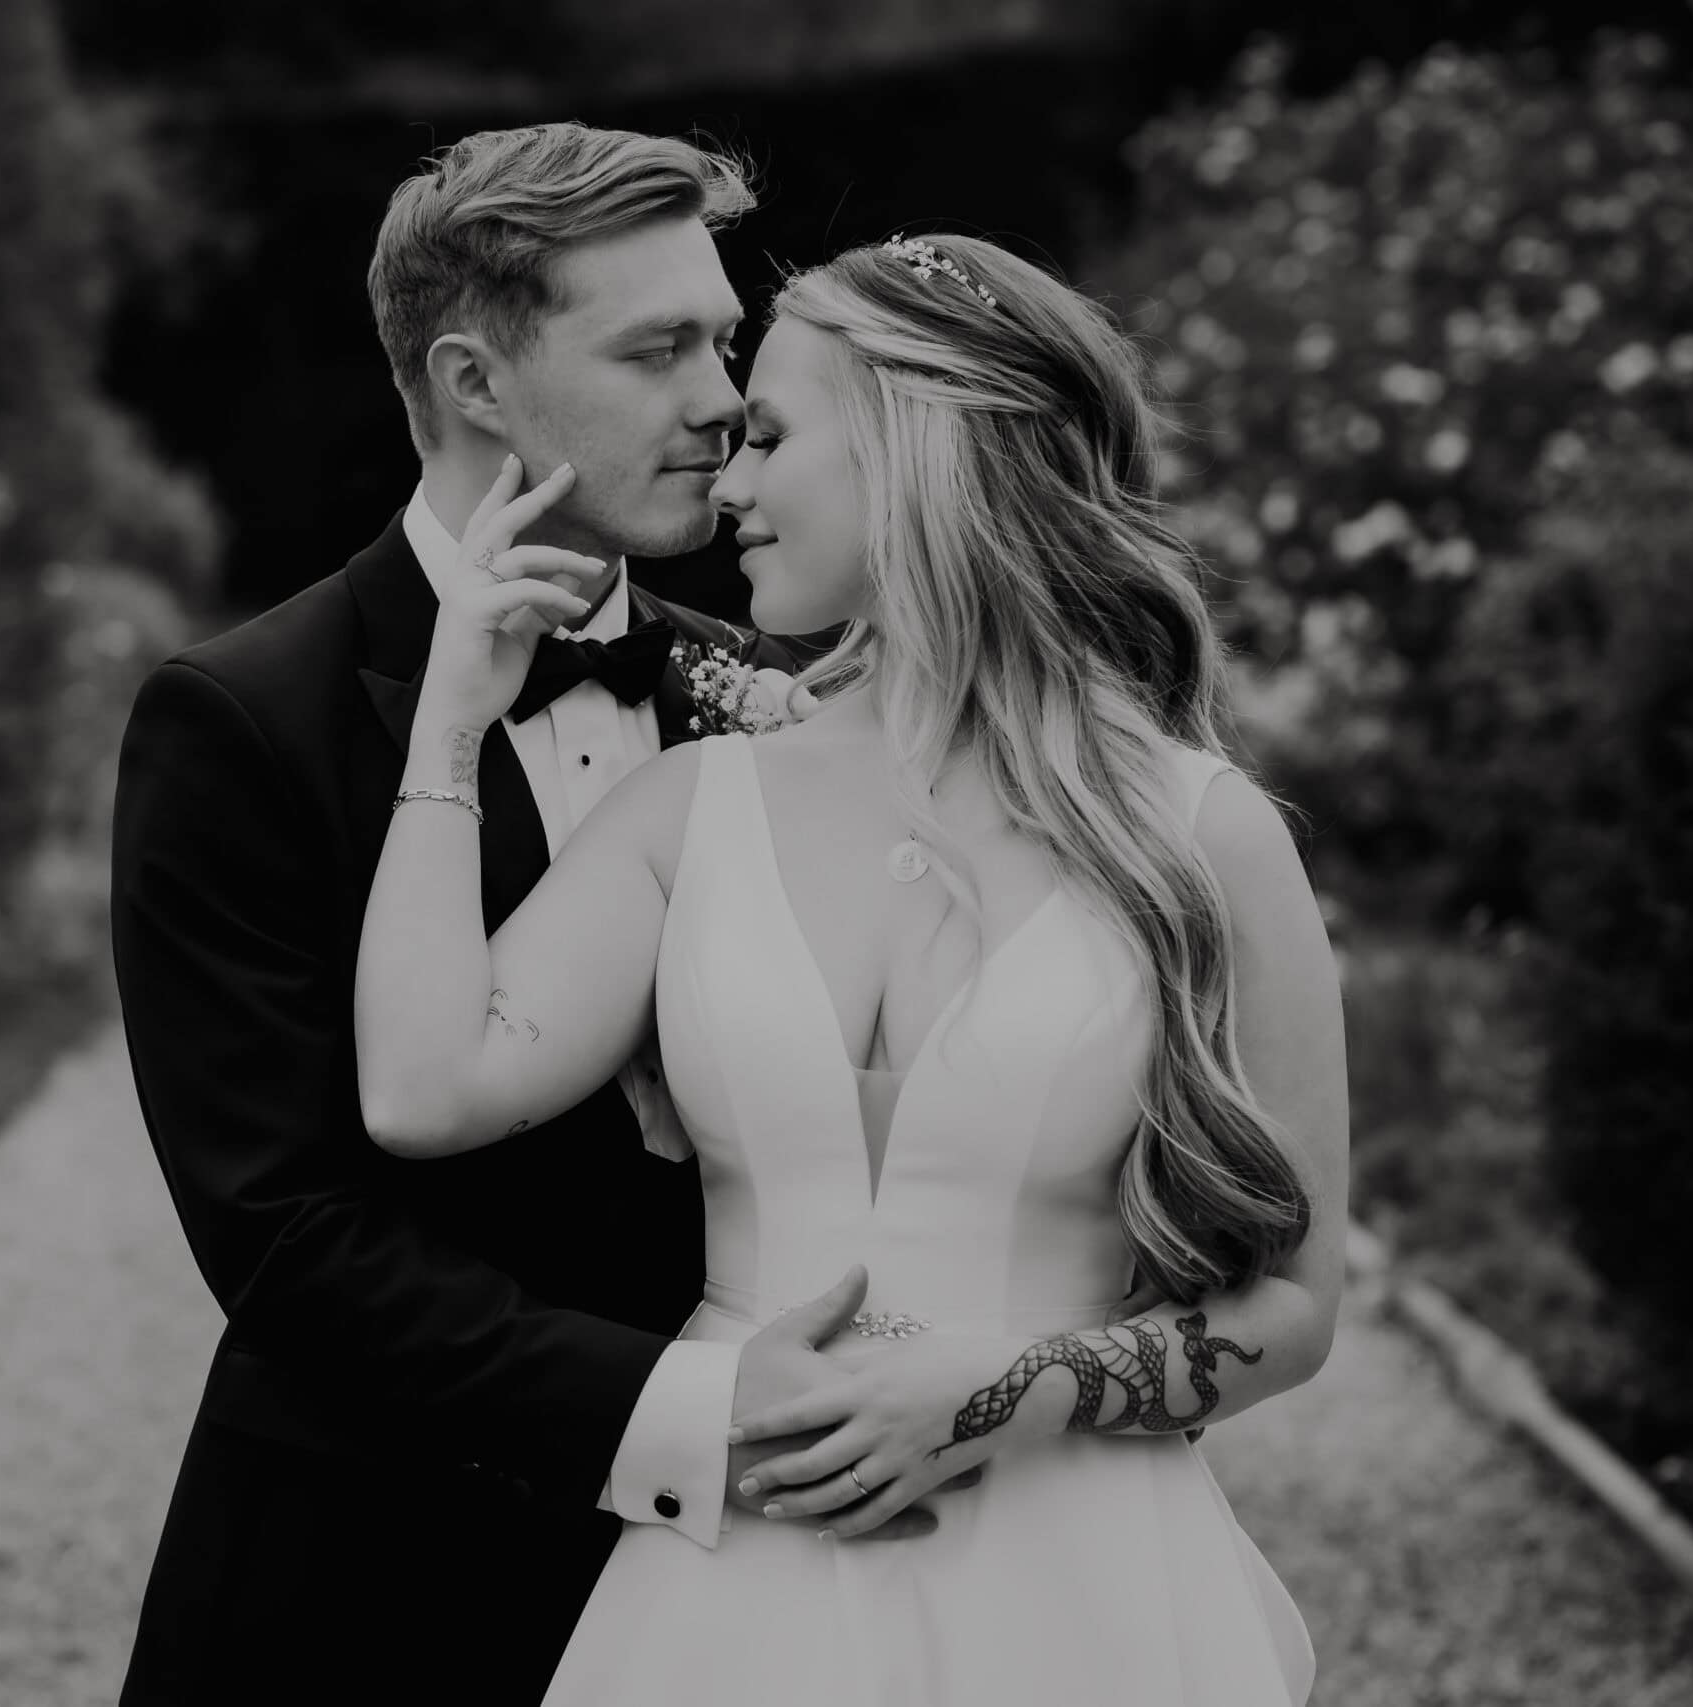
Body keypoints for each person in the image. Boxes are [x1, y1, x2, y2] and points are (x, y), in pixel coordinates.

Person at [355, 232, 1347, 1704]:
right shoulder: (694, 809)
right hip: (733, 1590)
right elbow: (423, 1092)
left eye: (769, 436)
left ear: (915, 450)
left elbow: (1293, 1308)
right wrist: (448, 727)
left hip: (1080, 1587)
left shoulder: (1199, 837)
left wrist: (1008, 1389)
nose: (727, 485)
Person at [110, 125, 958, 1706]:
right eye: (655, 351)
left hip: (761, 1587)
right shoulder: (242, 721)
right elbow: (287, 1239)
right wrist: (684, 1412)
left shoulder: (770, 690)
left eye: (721, 342)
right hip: (368, 1587)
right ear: (474, 382)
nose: (723, 400)